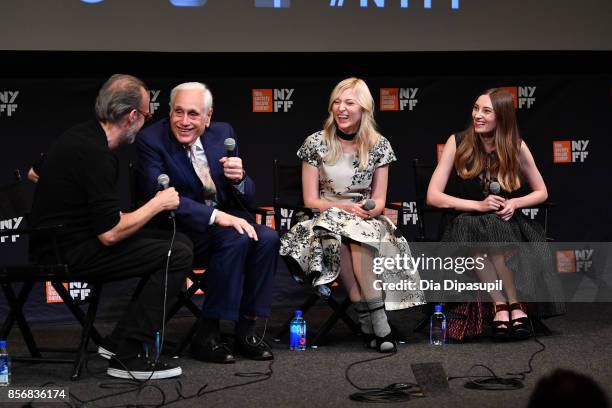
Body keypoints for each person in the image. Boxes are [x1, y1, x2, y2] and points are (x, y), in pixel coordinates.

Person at [29, 74, 193, 379]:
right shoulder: (96, 154)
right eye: (146, 115)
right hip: (67, 252)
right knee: (177, 253)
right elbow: (110, 233)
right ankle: (127, 357)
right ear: (132, 116)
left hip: (57, 241)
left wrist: (78, 202)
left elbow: (33, 172)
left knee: (178, 242)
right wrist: (158, 203)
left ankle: (117, 341)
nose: (146, 121)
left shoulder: (80, 135)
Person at [135, 82, 279, 364]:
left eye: (193, 114)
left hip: (223, 225)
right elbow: (162, 196)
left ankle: (246, 329)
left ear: (208, 117)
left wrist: (240, 180)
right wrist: (217, 217)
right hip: (178, 229)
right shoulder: (151, 140)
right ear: (169, 112)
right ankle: (208, 332)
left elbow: (248, 197)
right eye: (178, 112)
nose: (185, 121)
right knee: (235, 237)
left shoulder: (223, 133)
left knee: (268, 239)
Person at [279, 77, 425, 353]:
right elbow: (311, 200)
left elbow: (380, 199)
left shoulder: (379, 145)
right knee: (342, 236)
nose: (341, 108)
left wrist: (366, 209)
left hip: (365, 216)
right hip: (324, 216)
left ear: (364, 109)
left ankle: (367, 321)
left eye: (349, 102)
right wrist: (344, 208)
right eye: (337, 102)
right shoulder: (315, 143)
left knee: (357, 238)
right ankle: (378, 320)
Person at [426, 87, 564, 341]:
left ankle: (511, 305)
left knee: (495, 228)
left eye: (486, 111)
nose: (478, 115)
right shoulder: (457, 142)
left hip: (505, 220)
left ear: (502, 117)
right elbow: (433, 196)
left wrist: (515, 203)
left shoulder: (516, 146)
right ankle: (504, 304)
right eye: (476, 109)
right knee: (476, 229)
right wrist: (477, 205)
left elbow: (542, 191)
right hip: (466, 221)